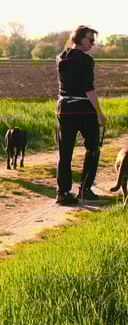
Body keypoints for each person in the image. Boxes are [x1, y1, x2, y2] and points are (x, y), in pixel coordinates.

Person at [54, 25, 105, 206]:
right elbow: (89, 89)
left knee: (65, 152)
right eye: (90, 40)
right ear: (80, 39)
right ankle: (84, 188)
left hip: (64, 108)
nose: (92, 44)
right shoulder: (86, 60)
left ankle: (62, 192)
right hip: (83, 108)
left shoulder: (61, 57)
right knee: (93, 148)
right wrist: (99, 113)